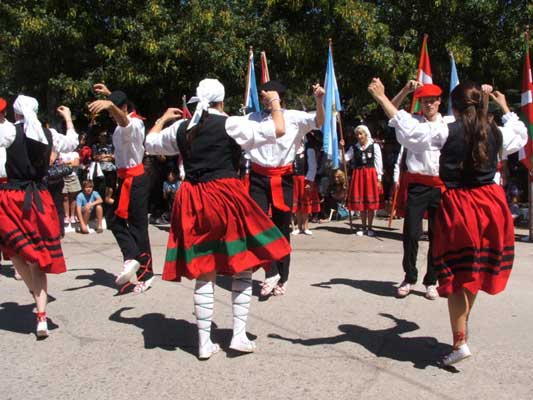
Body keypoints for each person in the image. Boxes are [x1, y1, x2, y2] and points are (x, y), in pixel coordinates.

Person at [369, 78, 527, 366]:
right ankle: (462, 331)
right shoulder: (496, 131)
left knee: (455, 276)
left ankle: (460, 342)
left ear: (452, 106)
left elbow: (412, 133)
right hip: (492, 204)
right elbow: (520, 133)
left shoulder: (446, 129)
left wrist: (383, 99)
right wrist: (504, 106)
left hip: (462, 204)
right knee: (474, 271)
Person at [145, 78, 291, 359]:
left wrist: (162, 119)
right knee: (243, 265)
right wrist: (274, 101)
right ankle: (237, 336)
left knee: (204, 269)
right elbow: (279, 128)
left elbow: (150, 143)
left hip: (192, 198)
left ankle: (203, 343)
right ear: (221, 101)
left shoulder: (181, 128)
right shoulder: (230, 123)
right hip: (225, 195)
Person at [0, 95, 78, 338]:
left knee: (15, 251)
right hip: (40, 198)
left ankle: (35, 293)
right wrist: (68, 119)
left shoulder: (9, 132)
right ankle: (41, 317)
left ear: (16, 113)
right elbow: (72, 142)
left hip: (13, 196)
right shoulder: (49, 134)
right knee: (38, 258)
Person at [245, 80, 325, 296]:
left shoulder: (294, 117)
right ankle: (270, 271)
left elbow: (318, 121)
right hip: (258, 177)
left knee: (281, 229)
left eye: (267, 95)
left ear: (278, 97)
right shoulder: (253, 118)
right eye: (263, 96)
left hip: (283, 178)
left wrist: (319, 101)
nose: (264, 99)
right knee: (257, 225)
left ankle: (283, 275)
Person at [388, 80, 453, 300]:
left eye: (433, 101)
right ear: (420, 103)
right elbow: (391, 109)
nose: (429, 105)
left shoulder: (449, 123)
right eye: (425, 101)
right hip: (417, 184)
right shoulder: (412, 122)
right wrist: (405, 90)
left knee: (437, 235)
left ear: (439, 101)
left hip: (440, 185)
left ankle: (431, 280)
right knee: (411, 234)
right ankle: (409, 276)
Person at [88, 84, 153, 294]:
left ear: (124, 107)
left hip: (136, 178)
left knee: (137, 227)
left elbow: (124, 119)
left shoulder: (134, 123)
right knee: (114, 219)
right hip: (123, 178)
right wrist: (109, 95)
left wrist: (110, 103)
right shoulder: (119, 121)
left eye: (115, 108)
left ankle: (146, 274)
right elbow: (120, 111)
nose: (112, 114)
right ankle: (131, 257)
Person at [344, 125, 383, 236]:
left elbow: (378, 163)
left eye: (361, 134)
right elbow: (345, 158)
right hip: (359, 176)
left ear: (366, 134)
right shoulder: (354, 147)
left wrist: (379, 178)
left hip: (370, 175)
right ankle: (363, 226)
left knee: (369, 203)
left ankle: (370, 227)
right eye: (357, 134)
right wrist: (340, 148)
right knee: (361, 203)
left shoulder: (374, 146)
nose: (359, 136)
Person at [292, 131, 321, 235]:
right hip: (294, 180)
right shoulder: (292, 151)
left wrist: (309, 181)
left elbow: (312, 167)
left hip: (304, 179)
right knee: (297, 205)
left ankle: (306, 227)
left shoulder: (308, 150)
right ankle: (299, 227)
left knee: (305, 204)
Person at [59, 149, 81, 231]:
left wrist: (66, 163)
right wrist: (70, 162)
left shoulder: (75, 153)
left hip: (73, 176)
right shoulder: (61, 153)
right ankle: (66, 216)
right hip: (63, 177)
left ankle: (72, 216)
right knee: (65, 197)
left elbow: (76, 164)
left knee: (73, 198)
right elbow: (60, 164)